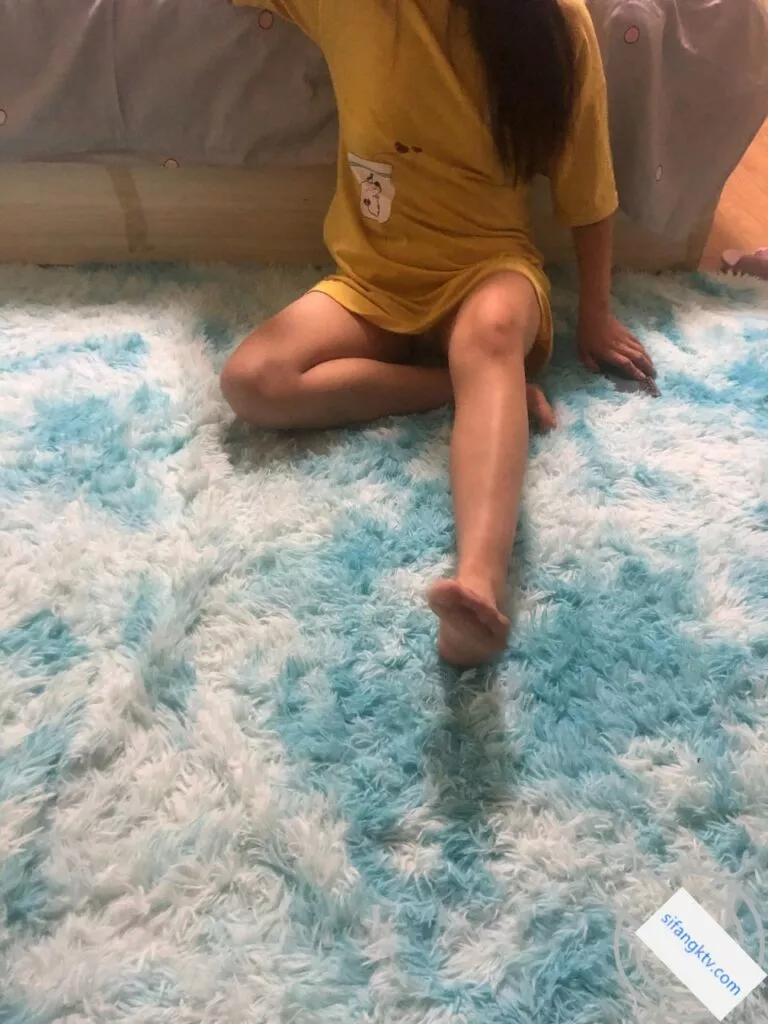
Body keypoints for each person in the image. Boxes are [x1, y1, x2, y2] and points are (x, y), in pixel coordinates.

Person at [221, 0, 657, 667]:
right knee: (252, 381)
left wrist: (595, 311)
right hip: (374, 279)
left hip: (489, 268)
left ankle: (479, 585)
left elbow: (588, 186)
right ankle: (470, 389)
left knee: (490, 332)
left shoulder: (557, 20)